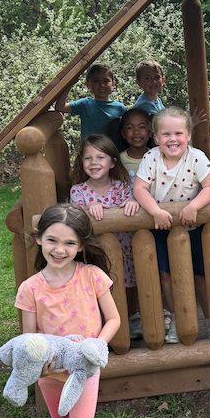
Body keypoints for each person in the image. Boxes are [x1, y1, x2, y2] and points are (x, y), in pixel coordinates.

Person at [15, 203, 145, 418]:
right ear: (39, 238)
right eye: (53, 240)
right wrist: (41, 363)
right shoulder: (30, 289)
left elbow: (113, 319)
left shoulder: (92, 276)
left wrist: (96, 345)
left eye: (70, 243)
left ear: (82, 245)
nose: (60, 249)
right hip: (49, 376)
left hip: (85, 370)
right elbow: (29, 340)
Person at [133, 107, 210, 344]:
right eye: (165, 134)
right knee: (166, 277)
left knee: (200, 276)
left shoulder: (196, 157)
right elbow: (139, 188)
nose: (172, 139)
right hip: (160, 228)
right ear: (156, 137)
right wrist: (155, 212)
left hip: (192, 228)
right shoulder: (151, 158)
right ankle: (176, 320)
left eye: (179, 133)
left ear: (189, 135)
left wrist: (194, 206)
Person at [69, 134, 142, 338]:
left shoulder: (120, 187)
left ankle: (133, 317)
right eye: (88, 158)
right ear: (81, 162)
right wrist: (88, 206)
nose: (94, 163)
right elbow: (75, 212)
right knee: (100, 287)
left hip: (123, 248)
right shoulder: (79, 191)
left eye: (100, 157)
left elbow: (131, 202)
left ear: (112, 162)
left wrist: (132, 202)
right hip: (95, 252)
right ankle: (101, 324)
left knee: (129, 282)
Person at [54, 64, 127, 139]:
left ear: (113, 84)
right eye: (95, 81)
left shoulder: (120, 108)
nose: (101, 85)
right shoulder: (84, 104)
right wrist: (69, 85)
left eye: (106, 81)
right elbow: (60, 107)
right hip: (89, 149)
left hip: (112, 150)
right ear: (87, 85)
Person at [134, 59, 207, 128]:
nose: (153, 81)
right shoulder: (144, 105)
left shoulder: (157, 100)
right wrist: (191, 123)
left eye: (156, 77)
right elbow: (162, 129)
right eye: (147, 78)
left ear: (162, 80)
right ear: (139, 83)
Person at [117, 108, 155, 186]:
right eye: (130, 127)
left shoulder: (157, 157)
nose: (136, 132)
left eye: (142, 127)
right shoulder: (119, 161)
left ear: (150, 132)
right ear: (123, 133)